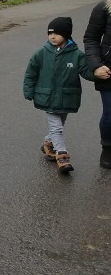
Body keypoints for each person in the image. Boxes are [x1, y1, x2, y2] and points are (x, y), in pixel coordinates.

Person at [24, 17, 96, 174]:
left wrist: (97, 72)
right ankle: (62, 156)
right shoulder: (41, 53)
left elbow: (86, 72)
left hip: (67, 98)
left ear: (66, 35)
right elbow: (31, 72)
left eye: (56, 33)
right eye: (50, 33)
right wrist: (28, 90)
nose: (52, 36)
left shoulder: (77, 55)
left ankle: (48, 143)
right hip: (48, 98)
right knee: (56, 127)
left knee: (59, 125)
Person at [83, 0, 111, 169]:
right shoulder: (104, 7)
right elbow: (91, 39)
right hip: (109, 72)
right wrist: (96, 65)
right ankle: (107, 148)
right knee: (110, 114)